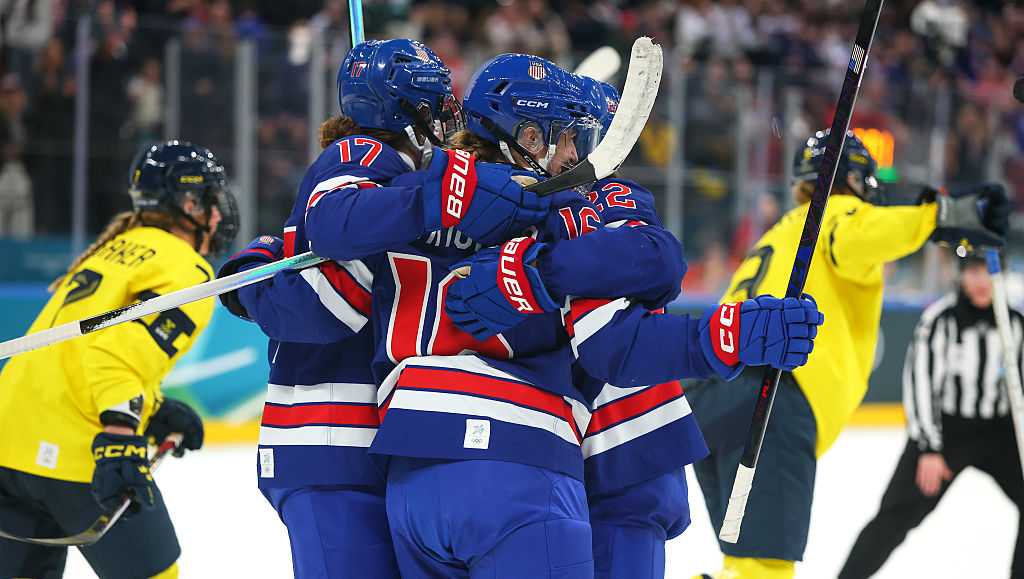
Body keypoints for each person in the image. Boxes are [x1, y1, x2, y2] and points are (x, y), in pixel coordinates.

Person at [687, 129, 1010, 579]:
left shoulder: (781, 232)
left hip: (714, 397)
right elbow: (861, 236)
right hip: (775, 398)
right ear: (857, 182)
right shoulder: (835, 214)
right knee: (763, 570)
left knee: (745, 563)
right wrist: (946, 213)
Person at [216, 38, 462, 579]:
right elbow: (328, 305)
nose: (449, 117)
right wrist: (252, 283)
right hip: (332, 440)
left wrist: (257, 269)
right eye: (438, 104)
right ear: (409, 108)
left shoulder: (397, 172)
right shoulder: (365, 158)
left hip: (360, 446)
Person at [0, 140, 236, 579]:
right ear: (187, 203)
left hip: (8, 443)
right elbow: (111, 355)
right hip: (73, 450)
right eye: (209, 200)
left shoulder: (113, 248)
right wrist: (120, 430)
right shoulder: (185, 268)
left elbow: (73, 350)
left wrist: (152, 408)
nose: (218, 215)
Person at [839, 253, 1024, 579]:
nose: (981, 282)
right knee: (896, 514)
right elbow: (921, 384)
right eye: (973, 272)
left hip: (999, 431)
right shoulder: (940, 321)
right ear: (961, 276)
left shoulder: (1015, 324)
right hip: (947, 431)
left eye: (988, 272)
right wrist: (928, 448)